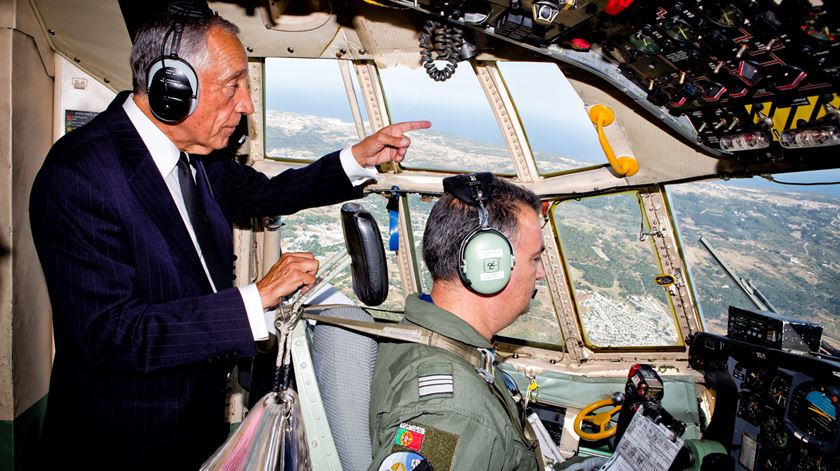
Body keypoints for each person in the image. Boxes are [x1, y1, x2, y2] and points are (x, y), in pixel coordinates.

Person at [29, 5, 429, 469]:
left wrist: (356, 159)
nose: (246, 105)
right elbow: (114, 335)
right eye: (233, 84)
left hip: (196, 424)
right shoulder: (79, 176)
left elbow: (266, 194)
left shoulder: (198, 153)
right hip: (120, 442)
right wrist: (253, 301)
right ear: (172, 90)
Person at [368, 173, 545, 470]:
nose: (540, 274)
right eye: (534, 259)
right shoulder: (452, 413)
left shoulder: (423, 335)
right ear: (489, 265)